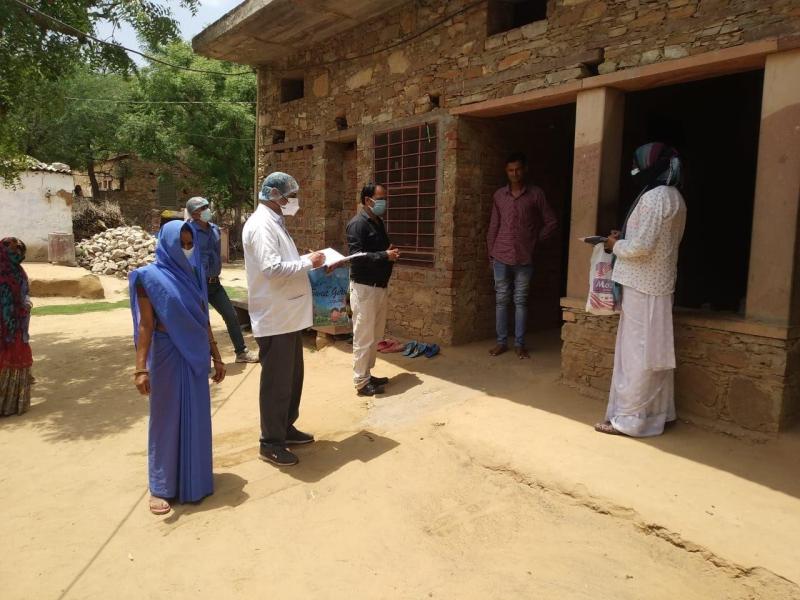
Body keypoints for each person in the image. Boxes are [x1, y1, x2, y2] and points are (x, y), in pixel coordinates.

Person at [130, 220, 226, 515]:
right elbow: (146, 325)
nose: (186, 249)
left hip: (195, 354)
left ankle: (193, 480)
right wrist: (140, 368)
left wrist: (217, 355)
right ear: (165, 243)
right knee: (165, 418)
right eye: (180, 244)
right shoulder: (149, 277)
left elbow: (203, 317)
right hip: (167, 353)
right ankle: (160, 486)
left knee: (196, 416)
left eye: (189, 244)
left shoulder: (195, 274)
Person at [595, 142, 686, 437]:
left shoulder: (654, 198)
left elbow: (642, 247)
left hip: (640, 285)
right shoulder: (676, 198)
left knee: (635, 354)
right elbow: (656, 242)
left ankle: (629, 419)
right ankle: (660, 413)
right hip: (659, 286)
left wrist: (613, 245)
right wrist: (625, 238)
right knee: (654, 351)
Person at [242, 172, 325, 467]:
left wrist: (309, 262)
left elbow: (282, 263)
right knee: (277, 383)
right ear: (275, 195)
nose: (294, 201)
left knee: (292, 379)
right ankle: (271, 442)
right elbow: (272, 268)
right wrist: (307, 262)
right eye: (291, 196)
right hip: (275, 318)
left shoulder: (275, 222)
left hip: (288, 317)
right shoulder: (261, 225)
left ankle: (285, 427)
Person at [487, 152, 558, 359]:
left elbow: (551, 221)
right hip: (500, 254)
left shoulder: (536, 194)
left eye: (518, 169)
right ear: (506, 172)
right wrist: (490, 254)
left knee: (520, 300)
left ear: (524, 170)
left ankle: (519, 344)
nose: (514, 173)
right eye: (510, 170)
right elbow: (493, 226)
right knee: (501, 300)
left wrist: (535, 238)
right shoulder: (499, 196)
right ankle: (501, 342)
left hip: (525, 257)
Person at [186, 196, 259, 364]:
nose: (207, 210)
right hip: (197, 284)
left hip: (215, 283)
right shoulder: (188, 232)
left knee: (231, 315)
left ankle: (241, 352)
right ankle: (201, 359)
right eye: (203, 208)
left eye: (206, 206)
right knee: (200, 322)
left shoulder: (214, 229)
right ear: (195, 213)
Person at [346, 183, 400, 396]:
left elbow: (378, 250)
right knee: (363, 336)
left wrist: (388, 253)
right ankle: (360, 381)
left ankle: (367, 373)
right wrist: (384, 256)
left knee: (375, 335)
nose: (384, 203)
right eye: (380, 198)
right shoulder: (357, 225)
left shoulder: (378, 222)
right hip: (364, 288)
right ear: (368, 200)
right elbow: (356, 258)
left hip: (379, 287)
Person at [0, 238, 33, 417]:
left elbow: (24, 293)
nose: (18, 255)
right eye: (14, 252)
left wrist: (25, 303)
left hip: (17, 327)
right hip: (6, 328)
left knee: (15, 358)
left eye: (20, 252)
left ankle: (11, 404)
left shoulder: (19, 272)